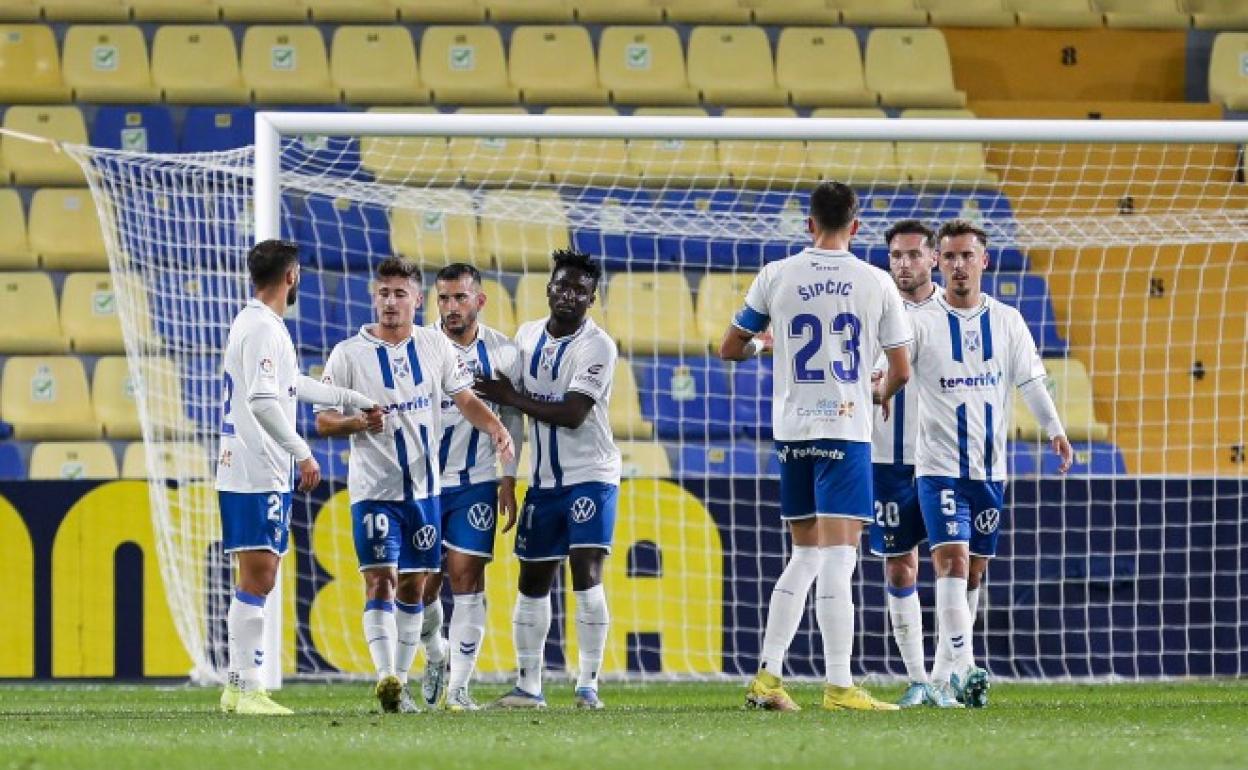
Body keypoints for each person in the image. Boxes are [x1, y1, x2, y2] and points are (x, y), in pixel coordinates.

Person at [721, 182, 911, 712]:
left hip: (793, 433)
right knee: (839, 559)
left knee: (804, 554)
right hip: (845, 430)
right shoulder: (876, 282)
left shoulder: (776, 274)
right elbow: (900, 370)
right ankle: (839, 685)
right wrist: (880, 393)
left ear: (808, 224)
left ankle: (767, 676)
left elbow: (729, 347)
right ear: (856, 226)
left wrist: (765, 344)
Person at [314, 257, 514, 713]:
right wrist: (355, 421)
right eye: (383, 293)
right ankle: (390, 679)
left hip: (425, 491)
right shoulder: (347, 354)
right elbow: (323, 422)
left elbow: (465, 398)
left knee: (415, 588)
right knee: (379, 581)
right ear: (373, 296)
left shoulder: (433, 346)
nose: (390, 302)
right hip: (373, 490)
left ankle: (419, 670)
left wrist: (495, 428)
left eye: (399, 293)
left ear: (416, 299)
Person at [909, 219, 1073, 708]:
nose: (959, 265)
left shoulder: (1007, 321)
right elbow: (891, 368)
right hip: (937, 466)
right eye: (950, 257)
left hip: (989, 470)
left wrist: (1056, 430)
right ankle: (967, 666)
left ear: (985, 261)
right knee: (951, 562)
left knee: (974, 573)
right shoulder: (919, 321)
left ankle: (943, 676)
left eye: (967, 256)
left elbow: (1030, 383)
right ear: (937, 262)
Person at [217, 239, 378, 715]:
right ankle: (246, 688)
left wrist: (353, 398)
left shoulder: (257, 324)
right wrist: (303, 453)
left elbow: (289, 387)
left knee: (256, 576)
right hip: (256, 469)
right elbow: (264, 402)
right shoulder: (263, 329)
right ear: (291, 276)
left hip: (251, 468)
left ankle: (236, 686)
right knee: (259, 577)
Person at [474, 249, 620, 711]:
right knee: (531, 580)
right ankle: (529, 688)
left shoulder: (598, 346)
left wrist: (511, 394)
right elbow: (512, 413)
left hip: (591, 476)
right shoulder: (527, 335)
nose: (570, 295)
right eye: (563, 286)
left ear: (591, 299)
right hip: (543, 481)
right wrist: (508, 478)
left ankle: (587, 686)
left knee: (586, 573)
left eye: (581, 290)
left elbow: (574, 414)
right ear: (549, 289)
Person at [416, 262, 525, 711]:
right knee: (422, 585)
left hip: (477, 481)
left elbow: (513, 418)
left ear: (479, 300)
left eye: (460, 297)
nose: (451, 307)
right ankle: (435, 653)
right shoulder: (420, 346)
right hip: (424, 482)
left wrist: (508, 476)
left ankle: (459, 689)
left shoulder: (504, 353)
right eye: (443, 298)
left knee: (466, 577)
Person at [867, 220, 961, 709]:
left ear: (932, 259)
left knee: (956, 567)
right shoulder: (872, 310)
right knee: (901, 569)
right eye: (896, 255)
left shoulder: (955, 313)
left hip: (943, 459)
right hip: (886, 459)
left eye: (912, 254)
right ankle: (919, 678)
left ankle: (949, 677)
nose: (904, 263)